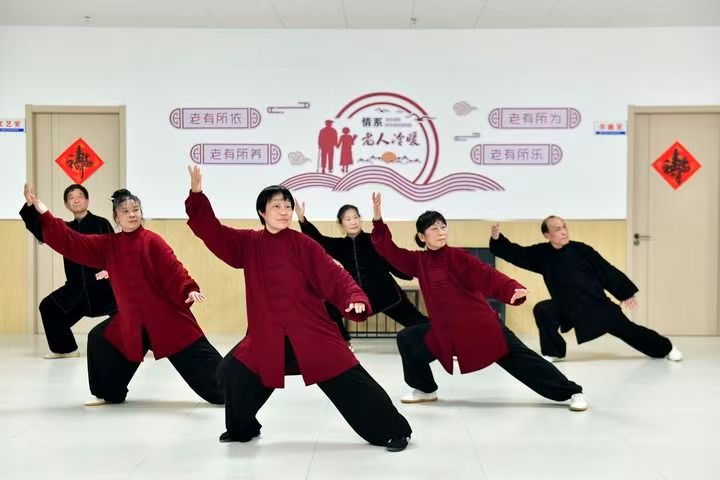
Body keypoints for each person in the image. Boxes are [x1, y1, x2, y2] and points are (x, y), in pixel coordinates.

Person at [184, 165, 412, 451]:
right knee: (232, 371)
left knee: (352, 381)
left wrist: (353, 295)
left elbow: (334, 274)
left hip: (311, 332)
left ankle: (394, 430)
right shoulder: (248, 243)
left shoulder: (304, 244)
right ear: (262, 212)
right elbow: (212, 231)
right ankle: (243, 428)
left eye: (287, 206)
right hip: (267, 335)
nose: (284, 211)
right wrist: (197, 196)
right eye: (276, 206)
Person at [370, 193, 588, 411]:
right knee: (409, 339)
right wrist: (378, 220)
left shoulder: (458, 257)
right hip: (445, 331)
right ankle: (425, 389)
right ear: (422, 236)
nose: (441, 232)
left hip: (481, 327)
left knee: (524, 361)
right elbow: (388, 250)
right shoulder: (418, 261)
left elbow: (486, 274)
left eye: (443, 227)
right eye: (434, 228)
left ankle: (572, 392)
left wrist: (511, 288)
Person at [24, 184, 224, 406]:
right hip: (132, 322)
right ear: (116, 217)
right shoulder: (109, 245)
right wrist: (42, 211)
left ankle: (234, 392)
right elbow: (71, 241)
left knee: (214, 380)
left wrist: (189, 288)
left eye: (136, 210)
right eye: (125, 211)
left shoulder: (152, 241)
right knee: (100, 339)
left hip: (165, 318)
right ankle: (109, 393)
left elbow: (173, 268)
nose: (132, 215)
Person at [489, 217, 682, 362]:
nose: (564, 231)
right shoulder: (542, 254)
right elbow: (518, 254)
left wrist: (625, 292)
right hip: (566, 308)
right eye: (557, 229)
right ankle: (553, 352)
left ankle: (665, 348)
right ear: (547, 235)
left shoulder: (582, 250)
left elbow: (605, 270)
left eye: (564, 227)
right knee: (543, 309)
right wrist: (498, 240)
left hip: (596, 307)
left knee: (630, 331)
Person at [295, 201, 428, 346]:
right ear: (341, 224)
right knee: (328, 309)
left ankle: (439, 343)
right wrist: (302, 219)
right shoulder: (340, 246)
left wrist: (407, 273)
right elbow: (318, 240)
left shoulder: (374, 240)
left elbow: (391, 256)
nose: (353, 222)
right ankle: (344, 343)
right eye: (348, 219)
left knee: (418, 322)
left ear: (360, 219)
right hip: (358, 298)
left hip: (385, 294)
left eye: (355, 217)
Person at [20, 184, 116, 359]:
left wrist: (110, 270)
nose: (76, 200)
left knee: (131, 311)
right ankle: (65, 349)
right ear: (66, 204)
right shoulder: (63, 228)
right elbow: (40, 229)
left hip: (103, 287)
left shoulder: (101, 223)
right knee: (49, 307)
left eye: (80, 196)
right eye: (71, 197)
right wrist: (30, 205)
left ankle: (153, 343)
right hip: (76, 290)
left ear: (87, 200)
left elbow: (114, 251)